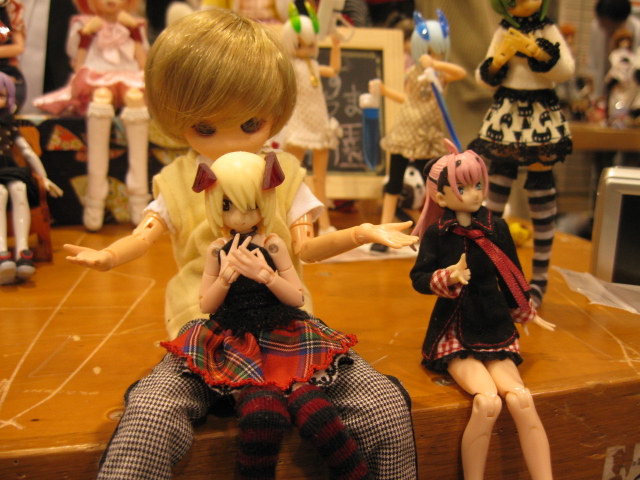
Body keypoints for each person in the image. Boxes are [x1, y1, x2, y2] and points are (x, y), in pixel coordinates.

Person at [64, 8, 418, 479]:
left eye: (250, 123)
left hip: (286, 330)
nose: (230, 140)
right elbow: (144, 234)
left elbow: (307, 248)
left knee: (383, 407)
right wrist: (109, 255)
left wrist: (362, 232)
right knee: (151, 415)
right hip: (205, 331)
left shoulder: (284, 175)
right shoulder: (177, 183)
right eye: (206, 127)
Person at [162, 151, 368, 479]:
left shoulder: (273, 245)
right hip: (235, 337)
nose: (240, 217)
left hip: (282, 332)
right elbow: (206, 305)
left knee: (316, 410)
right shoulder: (217, 250)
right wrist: (225, 279)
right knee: (261, 412)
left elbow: (297, 297)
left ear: (266, 202)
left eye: (252, 205)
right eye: (227, 206)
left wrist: (268, 277)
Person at [410, 139, 556, 480]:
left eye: (478, 185)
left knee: (520, 398)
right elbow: (418, 278)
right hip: (455, 329)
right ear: (440, 197)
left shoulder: (497, 228)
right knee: (487, 401)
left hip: (494, 324)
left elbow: (512, 274)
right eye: (463, 188)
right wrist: (448, 276)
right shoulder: (437, 234)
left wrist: (526, 309)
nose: (474, 194)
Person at [467, 0, 575, 307]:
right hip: (508, 114)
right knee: (495, 193)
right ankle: (484, 271)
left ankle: (539, 278)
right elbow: (484, 77)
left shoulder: (546, 29)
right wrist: (500, 59)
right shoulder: (504, 31)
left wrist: (537, 52)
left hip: (540, 112)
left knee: (541, 195)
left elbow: (565, 70)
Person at [33, 0, 150, 232]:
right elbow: (78, 61)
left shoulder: (134, 24)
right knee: (101, 99)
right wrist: (87, 34)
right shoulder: (83, 23)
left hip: (128, 77)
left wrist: (135, 31)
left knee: (136, 99)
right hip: (98, 76)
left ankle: (139, 196)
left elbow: (142, 61)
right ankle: (95, 198)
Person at [369, 10, 466, 253]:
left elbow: (461, 73)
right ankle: (383, 232)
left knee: (433, 186)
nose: (431, 55)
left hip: (428, 137)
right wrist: (385, 91)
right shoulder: (413, 72)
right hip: (405, 132)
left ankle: (435, 232)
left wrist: (436, 64)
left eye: (436, 50)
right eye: (428, 50)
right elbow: (407, 98)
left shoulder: (441, 74)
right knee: (393, 183)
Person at [281, 2, 342, 235]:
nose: (306, 49)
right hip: (298, 123)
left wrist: (336, 46)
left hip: (319, 123)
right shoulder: (291, 67)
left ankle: (324, 224)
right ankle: (289, 220)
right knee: (291, 175)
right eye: (300, 44)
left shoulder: (314, 65)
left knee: (320, 178)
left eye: (310, 44)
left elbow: (333, 70)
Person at [0, 72, 63, 285]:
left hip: (9, 167)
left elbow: (27, 152)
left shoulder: (9, 125)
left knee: (19, 189)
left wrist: (44, 178)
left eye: (1, 95)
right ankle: (2, 252)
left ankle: (22, 251)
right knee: (0, 193)